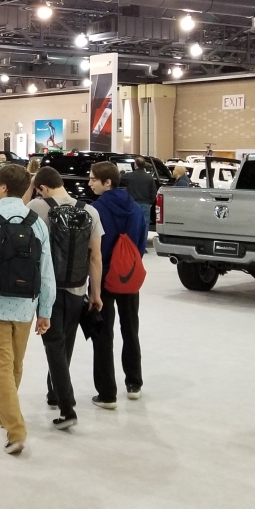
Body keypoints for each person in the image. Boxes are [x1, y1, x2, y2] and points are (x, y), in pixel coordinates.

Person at [0, 164, 56, 455]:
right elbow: (46, 271)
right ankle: (0, 410)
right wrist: (45, 310)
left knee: (1, 366)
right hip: (25, 307)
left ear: (3, 187)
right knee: (14, 365)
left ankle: (15, 429)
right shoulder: (37, 223)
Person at [28, 166, 103, 430]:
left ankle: (67, 408)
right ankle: (54, 392)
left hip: (48, 287)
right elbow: (95, 256)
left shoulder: (38, 206)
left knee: (53, 345)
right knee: (65, 342)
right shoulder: (90, 210)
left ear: (42, 187)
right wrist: (96, 293)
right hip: (77, 287)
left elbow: (17, 211)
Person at [87, 161, 148, 408]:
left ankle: (107, 393)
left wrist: (94, 283)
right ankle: (134, 383)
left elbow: (93, 250)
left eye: (93, 179)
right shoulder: (134, 208)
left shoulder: (96, 210)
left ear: (107, 182)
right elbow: (141, 242)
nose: (89, 183)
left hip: (105, 278)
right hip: (129, 277)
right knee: (130, 329)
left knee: (103, 334)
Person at [121, 157, 158, 228]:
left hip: (132, 203)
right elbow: (154, 192)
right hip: (145, 204)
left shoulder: (129, 176)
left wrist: (121, 172)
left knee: (133, 224)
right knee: (145, 224)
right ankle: (143, 239)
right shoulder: (149, 177)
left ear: (135, 165)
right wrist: (151, 203)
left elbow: (118, 179)